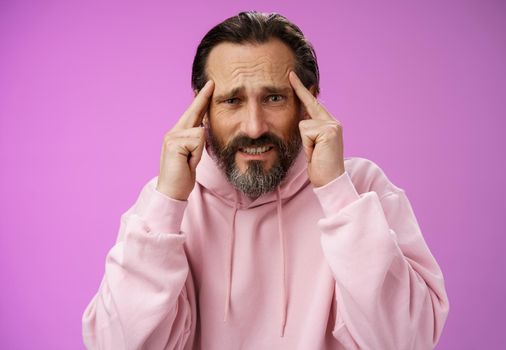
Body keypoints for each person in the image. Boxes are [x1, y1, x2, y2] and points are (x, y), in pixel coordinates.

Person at [82, 11, 449, 350]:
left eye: (274, 98)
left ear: (307, 105)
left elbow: (406, 341)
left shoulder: (359, 188)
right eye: (231, 101)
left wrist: (336, 193)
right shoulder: (167, 202)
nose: (254, 127)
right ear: (201, 110)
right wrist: (168, 203)